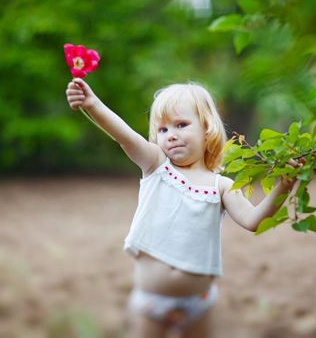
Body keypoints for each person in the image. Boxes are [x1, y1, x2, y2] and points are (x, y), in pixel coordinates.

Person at [65, 79, 301, 338]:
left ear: (207, 128)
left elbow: (254, 220)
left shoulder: (221, 185)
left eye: (181, 125)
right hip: (152, 300)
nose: (171, 135)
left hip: (198, 301)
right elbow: (125, 136)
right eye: (163, 129)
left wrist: (285, 185)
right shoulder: (156, 165)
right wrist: (93, 104)